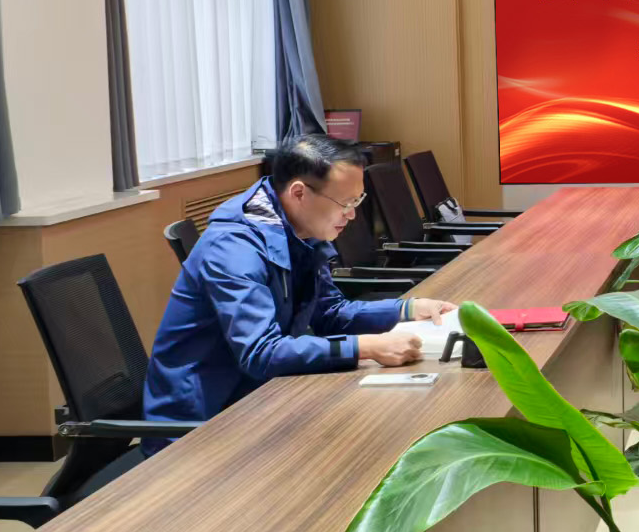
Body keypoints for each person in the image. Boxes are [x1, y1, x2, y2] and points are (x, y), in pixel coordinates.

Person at [142, 135, 453, 450]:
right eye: (345, 203)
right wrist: (366, 347)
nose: (352, 215)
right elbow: (261, 352)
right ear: (299, 193)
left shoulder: (300, 227)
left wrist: (407, 309)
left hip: (261, 399)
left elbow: (329, 313)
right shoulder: (234, 248)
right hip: (199, 427)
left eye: (357, 201)